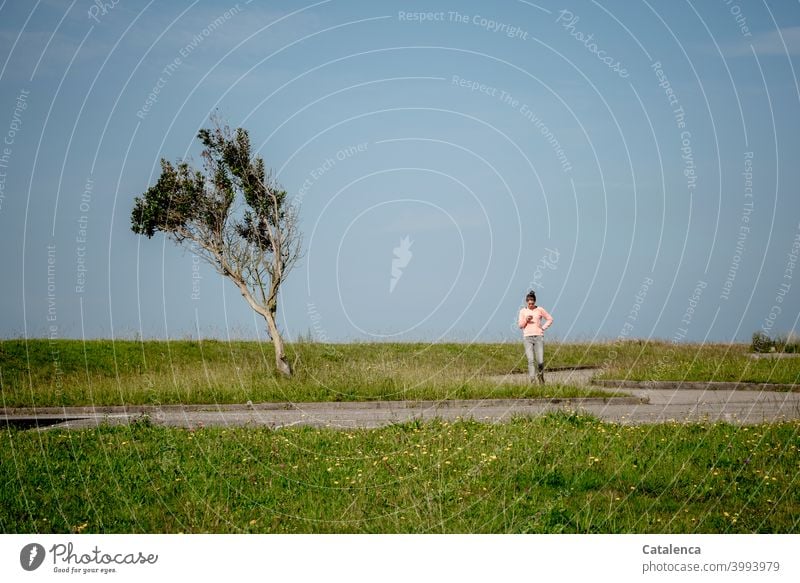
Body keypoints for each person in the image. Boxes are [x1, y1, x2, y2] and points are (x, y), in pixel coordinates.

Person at [518, 291, 553, 384]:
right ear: (526, 302)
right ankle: (532, 381)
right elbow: (520, 325)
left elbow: (550, 319)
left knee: (540, 361)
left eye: (532, 303)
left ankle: (540, 378)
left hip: (538, 337)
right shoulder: (523, 311)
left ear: (535, 302)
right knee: (530, 360)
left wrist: (543, 328)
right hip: (527, 338)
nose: (531, 305)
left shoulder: (540, 309)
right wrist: (526, 319)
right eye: (529, 303)